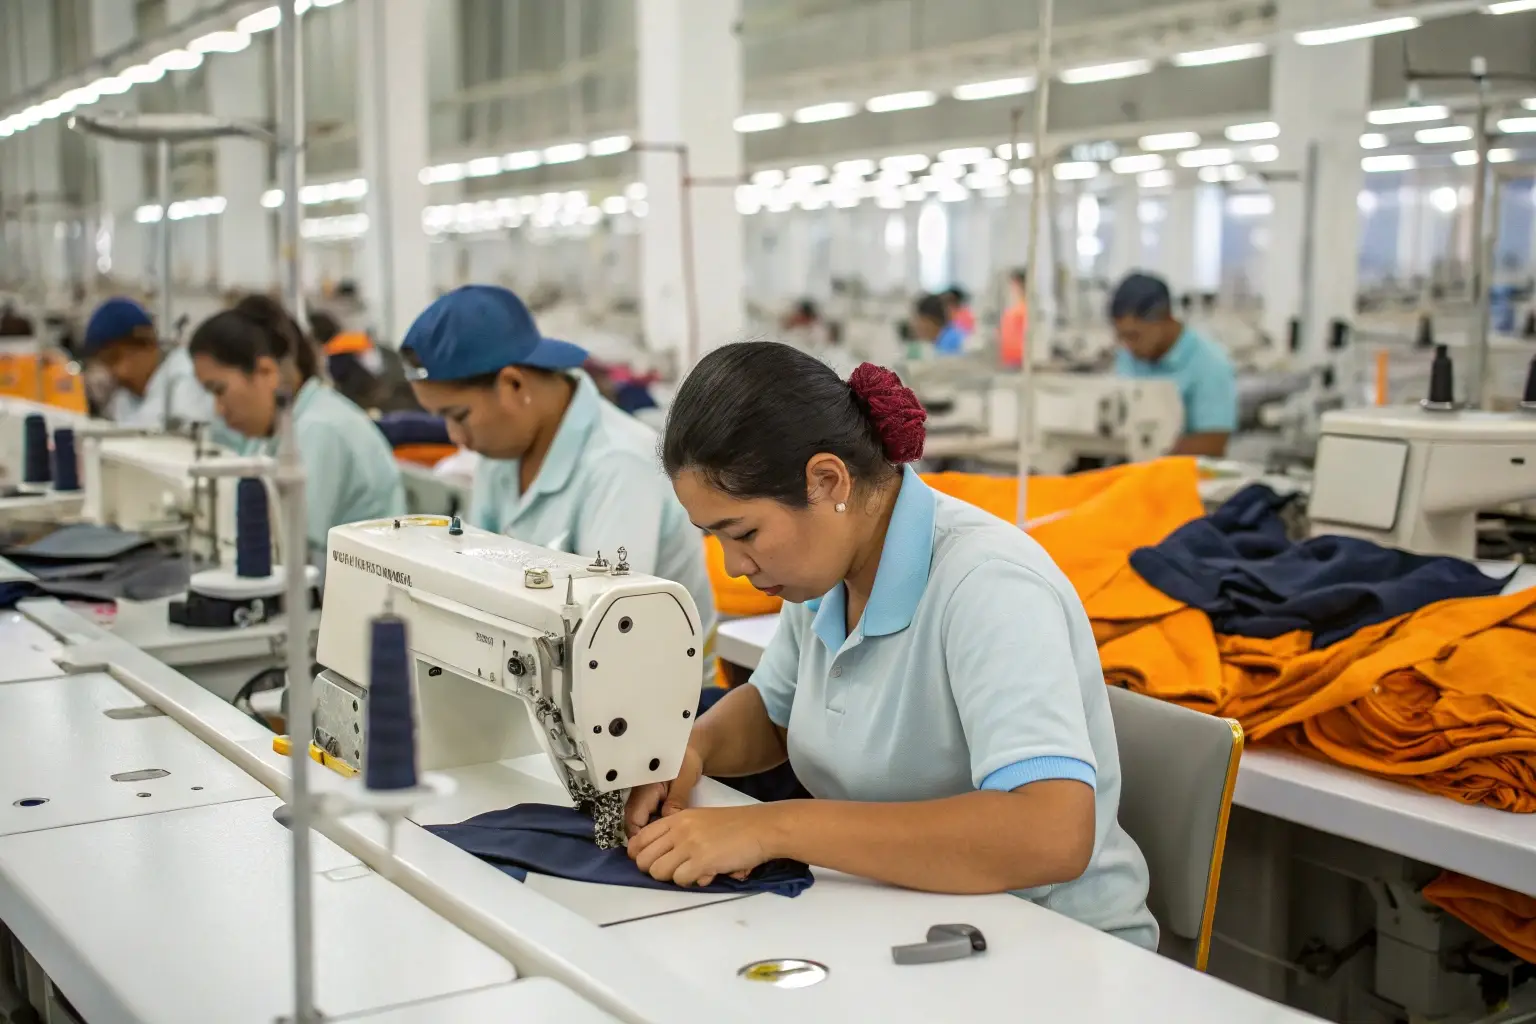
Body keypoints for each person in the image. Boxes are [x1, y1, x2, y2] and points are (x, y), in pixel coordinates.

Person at [624, 341, 1157, 950]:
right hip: (905, 913)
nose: (735, 565)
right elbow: (775, 712)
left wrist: (774, 828)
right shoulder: (824, 577)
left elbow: (1050, 832)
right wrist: (691, 750)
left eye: (743, 533)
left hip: (1052, 947)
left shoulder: (988, 586)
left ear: (828, 481)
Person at [397, 285, 717, 672]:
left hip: (646, 690)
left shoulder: (619, 467)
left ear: (513, 385)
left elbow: (604, 635)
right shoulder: (502, 453)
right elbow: (477, 575)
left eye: (459, 415)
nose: (455, 438)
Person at [188, 295, 405, 563]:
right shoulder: (278, 430)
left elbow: (288, 555)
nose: (219, 409)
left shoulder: (319, 430)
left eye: (219, 390)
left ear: (266, 372)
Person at [1109, 272, 1237, 457]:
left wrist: (1153, 447)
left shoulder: (1210, 364)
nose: (1127, 346)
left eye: (1134, 336)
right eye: (1121, 337)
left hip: (1184, 477)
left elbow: (1213, 445)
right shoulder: (1129, 355)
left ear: (1164, 319)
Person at [81, 297, 221, 432]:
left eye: (116, 358)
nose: (116, 372)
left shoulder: (185, 379)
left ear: (148, 342)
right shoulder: (125, 397)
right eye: (105, 363)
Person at [999, 268, 1029, 369]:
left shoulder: (1025, 309)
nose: (1011, 288)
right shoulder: (1012, 309)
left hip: (1020, 362)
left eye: (1013, 284)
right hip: (1009, 361)